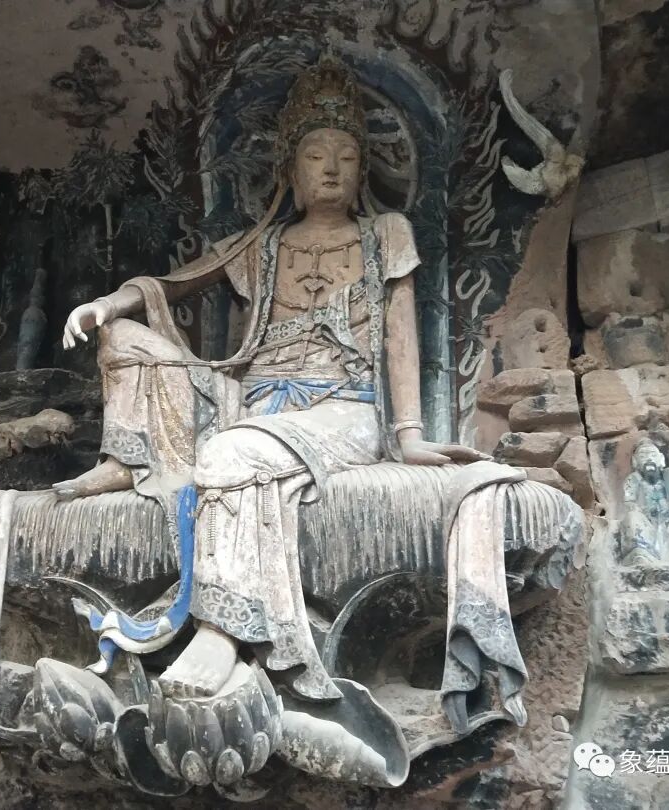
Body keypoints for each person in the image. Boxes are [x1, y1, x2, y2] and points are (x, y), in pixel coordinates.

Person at [56, 56, 485, 700]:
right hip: (251, 400)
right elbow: (176, 283)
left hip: (340, 408)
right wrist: (106, 305)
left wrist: (410, 436)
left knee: (232, 452)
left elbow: (401, 336)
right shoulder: (262, 243)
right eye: (316, 156)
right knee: (124, 336)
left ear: (362, 170)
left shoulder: (385, 234)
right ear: (291, 170)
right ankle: (125, 459)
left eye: (346, 156)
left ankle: (223, 631)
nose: (332, 169)